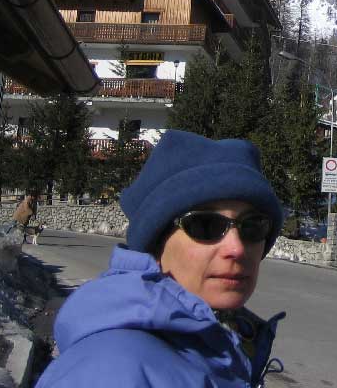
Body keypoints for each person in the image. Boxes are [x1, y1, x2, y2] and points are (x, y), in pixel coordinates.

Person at [36, 130, 286, 387]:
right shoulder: (112, 372)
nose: (237, 248)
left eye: (253, 226)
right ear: (156, 243)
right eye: (205, 225)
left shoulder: (222, 345)